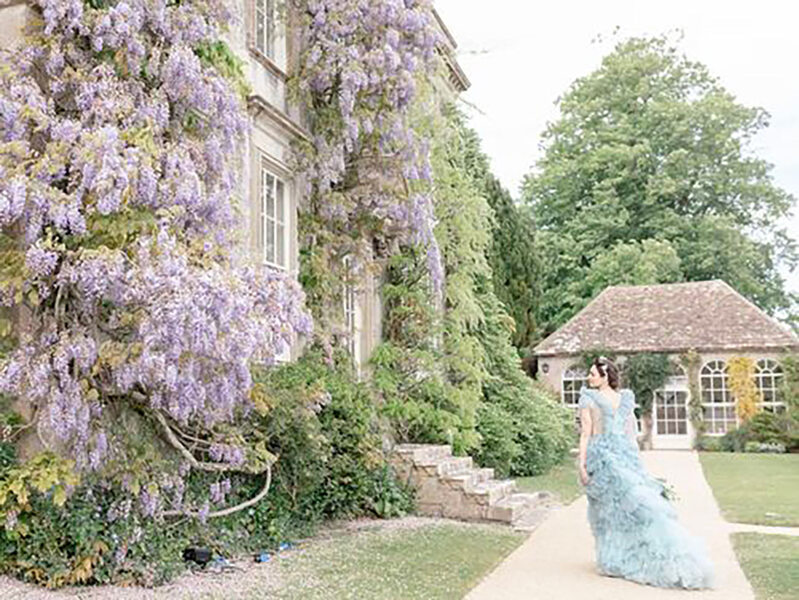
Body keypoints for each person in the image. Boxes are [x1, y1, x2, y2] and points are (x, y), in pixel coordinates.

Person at [576, 355, 716, 589]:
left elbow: (589, 434)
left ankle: (654, 558)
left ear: (605, 377)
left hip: (605, 458)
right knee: (611, 511)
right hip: (615, 457)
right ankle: (615, 558)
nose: (588, 377)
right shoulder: (610, 398)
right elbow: (626, 435)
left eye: (592, 373)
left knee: (620, 511)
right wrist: (634, 465)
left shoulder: (596, 399)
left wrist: (582, 464)